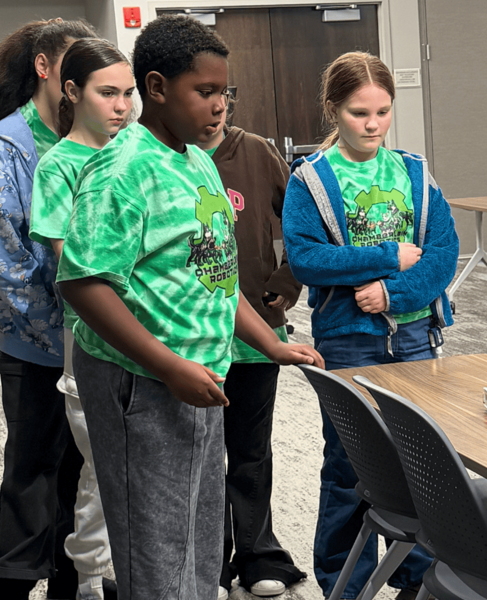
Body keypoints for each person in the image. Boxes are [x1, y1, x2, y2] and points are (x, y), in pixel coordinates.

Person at [55, 15, 323, 600]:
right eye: (204, 91)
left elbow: (216, 275)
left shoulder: (197, 161)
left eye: (224, 91)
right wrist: (169, 366)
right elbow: (83, 283)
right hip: (141, 380)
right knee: (156, 552)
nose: (219, 105)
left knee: (199, 544)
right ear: (156, 87)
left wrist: (270, 343)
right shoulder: (121, 170)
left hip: (199, 374)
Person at [282, 51, 458, 599]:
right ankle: (347, 586)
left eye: (383, 112)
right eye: (359, 113)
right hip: (348, 340)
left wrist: (391, 293)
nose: (373, 125)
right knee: (350, 465)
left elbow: (443, 253)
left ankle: (417, 581)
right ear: (333, 109)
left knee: (420, 463)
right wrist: (385, 257)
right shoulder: (311, 180)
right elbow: (305, 258)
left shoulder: (414, 172)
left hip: (416, 338)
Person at [27, 37, 134, 600]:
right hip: (89, 334)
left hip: (151, 331)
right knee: (102, 464)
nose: (122, 106)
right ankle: (90, 579)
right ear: (71, 91)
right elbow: (72, 261)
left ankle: (120, 572)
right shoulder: (59, 166)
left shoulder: (135, 153)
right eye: (108, 93)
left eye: (128, 94)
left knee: (137, 463)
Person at [0, 18, 97, 599]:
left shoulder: (95, 139)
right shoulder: (10, 144)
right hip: (36, 342)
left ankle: (70, 582)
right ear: (44, 67)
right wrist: (64, 325)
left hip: (96, 339)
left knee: (82, 479)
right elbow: (7, 264)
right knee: (32, 474)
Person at [196, 100, 307, 600]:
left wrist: (286, 281)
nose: (215, 106)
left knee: (251, 450)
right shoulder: (165, 158)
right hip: (191, 339)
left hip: (258, 334)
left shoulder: (258, 153)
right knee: (201, 457)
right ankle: (210, 563)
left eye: (221, 94)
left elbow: (304, 223)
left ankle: (258, 553)